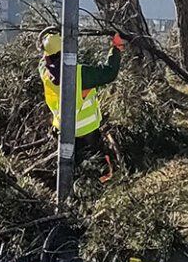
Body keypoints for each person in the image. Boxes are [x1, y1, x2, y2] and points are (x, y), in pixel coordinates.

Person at [41, 31, 126, 173]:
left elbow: (42, 61)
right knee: (98, 168)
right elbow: (109, 72)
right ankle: (103, 180)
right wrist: (116, 49)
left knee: (72, 168)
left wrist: (45, 47)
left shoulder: (45, 73)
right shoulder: (80, 74)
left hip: (62, 131)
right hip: (86, 132)